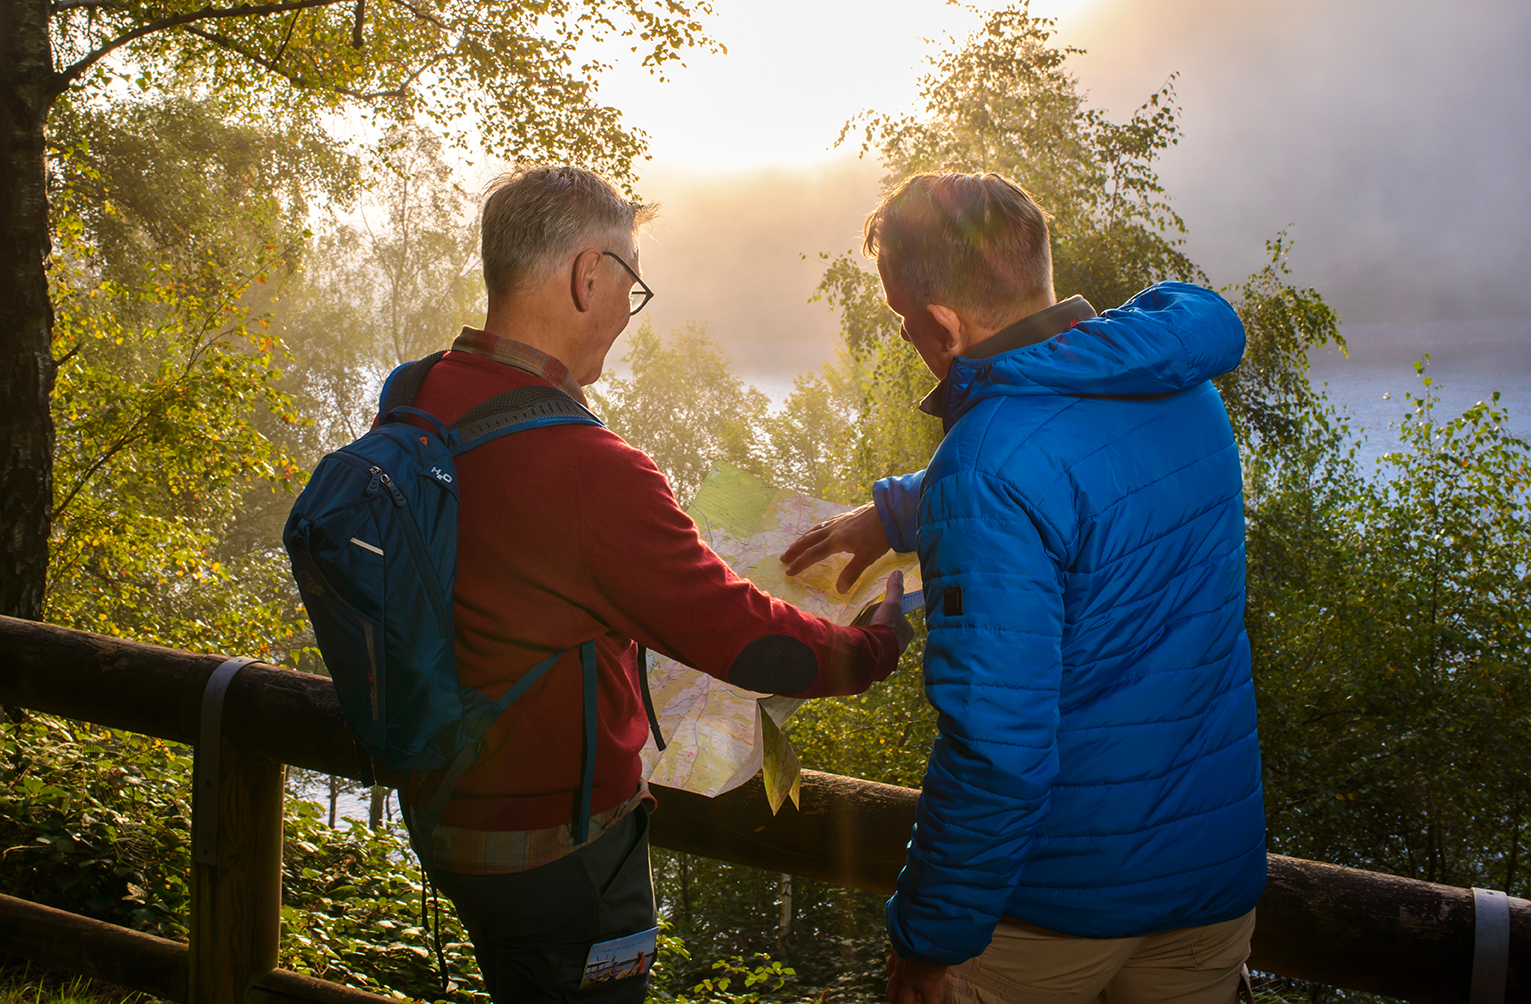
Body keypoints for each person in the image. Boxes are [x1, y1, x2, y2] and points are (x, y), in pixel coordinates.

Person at [398, 165, 914, 1004]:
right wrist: (873, 645)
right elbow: (746, 636)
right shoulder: (589, 469)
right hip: (559, 851)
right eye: (630, 285)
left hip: (450, 814)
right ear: (587, 275)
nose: (628, 315)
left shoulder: (420, 394)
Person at [782, 172, 1265, 1004]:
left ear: (940, 323)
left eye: (904, 320)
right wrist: (898, 508)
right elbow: (1075, 463)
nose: (907, 337)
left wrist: (930, 938)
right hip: (1207, 887)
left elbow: (997, 751)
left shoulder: (986, 464)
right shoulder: (1183, 390)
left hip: (1050, 912)